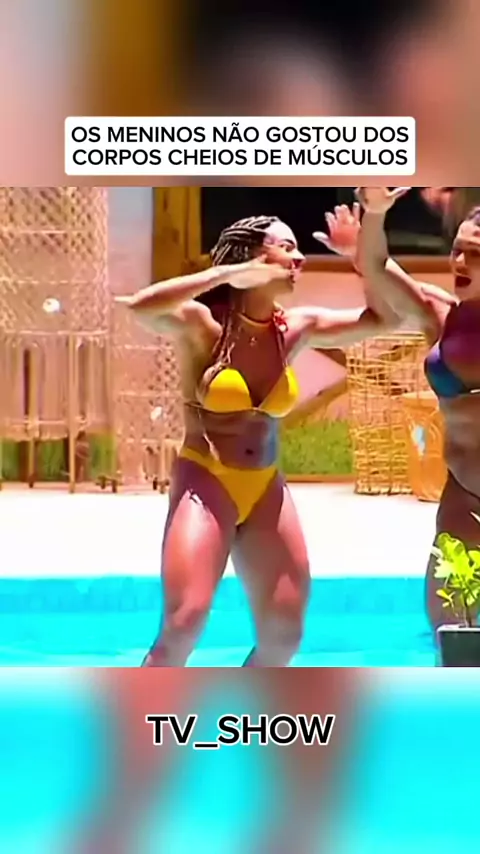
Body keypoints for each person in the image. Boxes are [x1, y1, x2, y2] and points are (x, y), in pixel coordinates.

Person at [118, 211, 402, 667]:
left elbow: (382, 319)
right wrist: (226, 274)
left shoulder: (294, 329)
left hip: (266, 486)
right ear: (251, 258)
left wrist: (361, 260)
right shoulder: (205, 326)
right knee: (183, 623)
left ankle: (246, 709)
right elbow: (141, 307)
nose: (298, 258)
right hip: (207, 480)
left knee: (284, 634)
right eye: (286, 248)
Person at [350, 186, 479, 634]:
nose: (459, 263)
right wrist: (375, 213)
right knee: (451, 635)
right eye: (456, 250)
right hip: (464, 498)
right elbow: (375, 264)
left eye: (475, 255)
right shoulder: (440, 314)